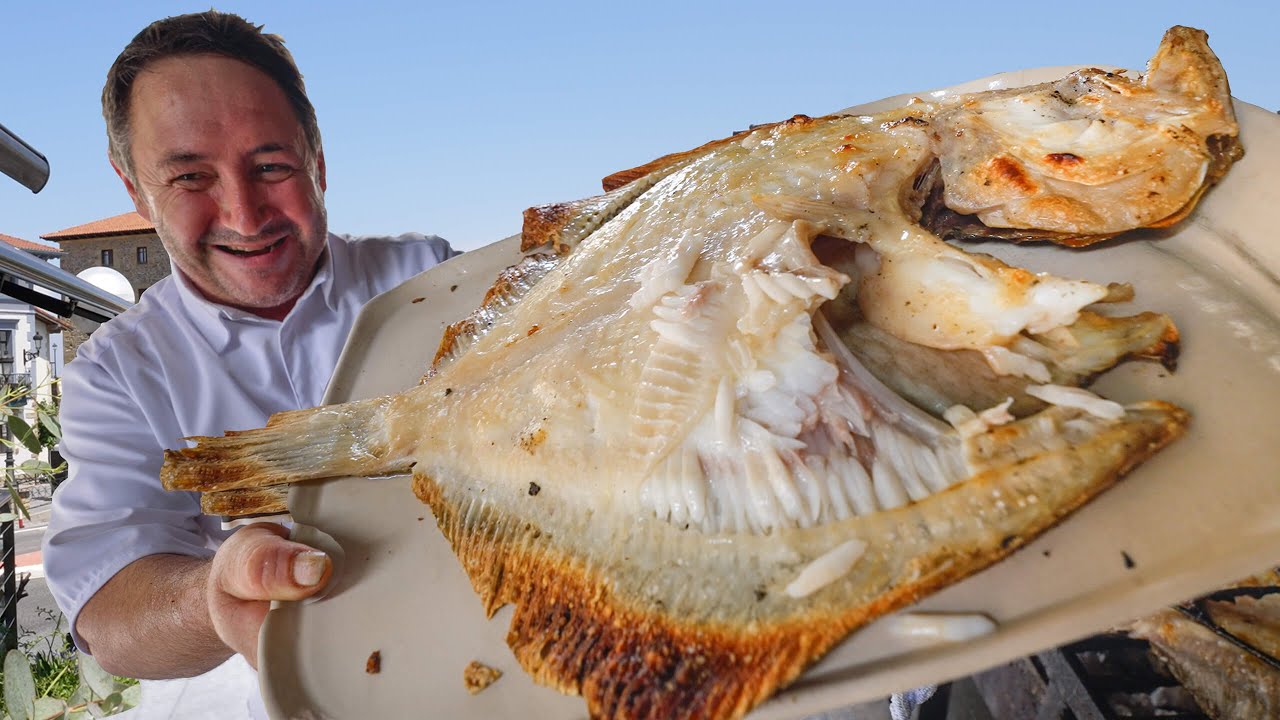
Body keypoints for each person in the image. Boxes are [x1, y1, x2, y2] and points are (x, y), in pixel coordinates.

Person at [41, 10, 457, 718]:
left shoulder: (430, 276)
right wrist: (211, 594)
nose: (243, 212)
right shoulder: (115, 371)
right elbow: (106, 609)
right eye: (190, 177)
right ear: (135, 190)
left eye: (271, 165)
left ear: (318, 160)